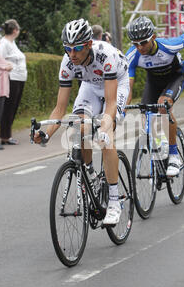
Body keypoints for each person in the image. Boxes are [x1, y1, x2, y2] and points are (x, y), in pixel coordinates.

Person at [33, 19, 129, 225]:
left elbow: (111, 103)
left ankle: (114, 201)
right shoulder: (67, 62)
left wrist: (104, 127)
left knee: (106, 138)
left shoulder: (106, 56)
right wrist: (46, 134)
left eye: (76, 48)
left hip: (116, 83)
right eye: (67, 48)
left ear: (88, 45)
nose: (72, 54)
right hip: (90, 86)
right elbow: (60, 109)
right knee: (79, 126)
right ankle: (92, 174)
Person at [126, 16, 184, 176]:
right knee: (146, 114)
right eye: (135, 43)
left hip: (174, 78)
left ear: (153, 37)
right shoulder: (133, 55)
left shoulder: (169, 45)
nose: (139, 47)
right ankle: (160, 149)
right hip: (153, 82)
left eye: (143, 42)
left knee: (163, 104)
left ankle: (174, 155)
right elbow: (128, 88)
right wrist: (122, 110)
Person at [0, 19, 27, 145]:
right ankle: (5, 136)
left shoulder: (12, 42)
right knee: (9, 107)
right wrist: (7, 67)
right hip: (12, 78)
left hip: (19, 78)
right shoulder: (4, 43)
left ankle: (7, 134)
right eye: (18, 28)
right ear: (14, 30)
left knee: (13, 107)